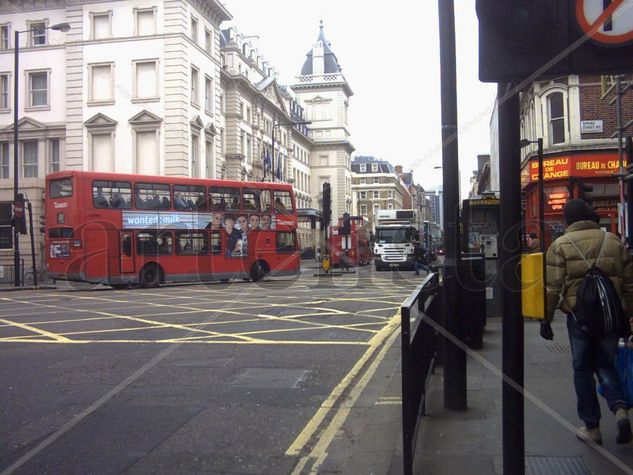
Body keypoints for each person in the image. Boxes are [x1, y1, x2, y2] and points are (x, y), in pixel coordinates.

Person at [542, 198, 633, 445]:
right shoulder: (613, 240)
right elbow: (629, 283)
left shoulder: (560, 244)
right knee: (606, 364)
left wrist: (546, 319)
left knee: (582, 370)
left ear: (568, 220)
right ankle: (620, 408)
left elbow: (553, 288)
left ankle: (592, 427)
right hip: (611, 317)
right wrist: (627, 313)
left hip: (579, 317)